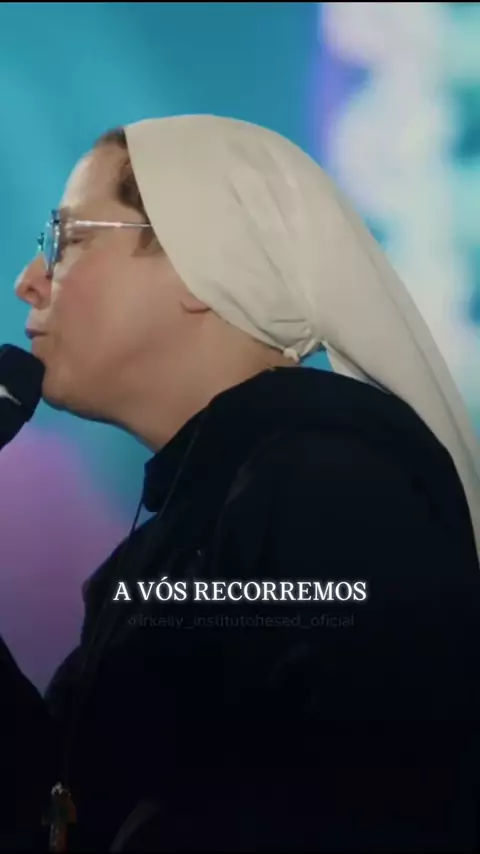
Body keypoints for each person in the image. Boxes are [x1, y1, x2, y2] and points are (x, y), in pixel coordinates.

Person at [1, 115, 480, 852]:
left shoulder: (338, 490)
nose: (28, 280)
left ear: (203, 263)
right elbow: (54, 810)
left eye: (66, 240)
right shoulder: (164, 547)